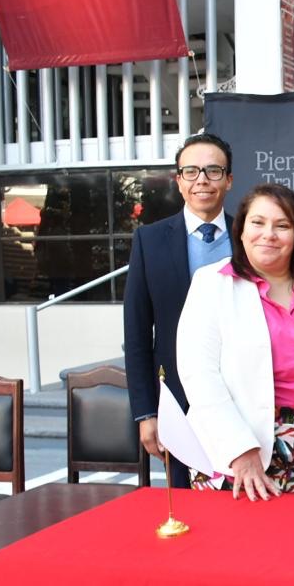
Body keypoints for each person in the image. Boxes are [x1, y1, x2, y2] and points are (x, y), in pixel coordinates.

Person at [176, 183, 294, 500]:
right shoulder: (212, 284)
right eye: (257, 222)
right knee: (237, 532)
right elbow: (199, 377)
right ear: (241, 230)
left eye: (282, 225)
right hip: (237, 448)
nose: (268, 234)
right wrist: (239, 450)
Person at [124, 131, 234, 488]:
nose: (202, 180)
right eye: (191, 171)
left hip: (243, 397)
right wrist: (146, 412)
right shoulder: (149, 240)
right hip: (177, 402)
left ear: (229, 180)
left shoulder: (250, 236)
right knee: (186, 504)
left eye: (213, 171)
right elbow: (137, 334)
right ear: (179, 180)